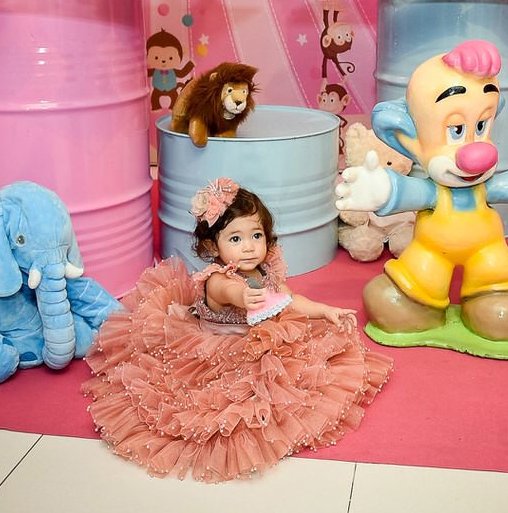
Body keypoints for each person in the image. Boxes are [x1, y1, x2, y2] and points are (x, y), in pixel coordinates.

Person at [82, 178, 392, 483]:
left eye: (256, 235)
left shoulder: (266, 270)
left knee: (309, 363)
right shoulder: (217, 279)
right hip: (219, 351)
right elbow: (228, 291)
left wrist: (325, 311)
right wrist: (243, 296)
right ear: (212, 246)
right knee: (226, 402)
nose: (249, 247)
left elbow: (290, 300)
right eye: (235, 239)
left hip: (259, 340)